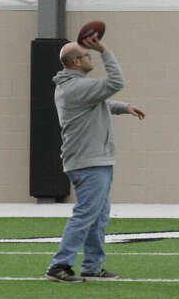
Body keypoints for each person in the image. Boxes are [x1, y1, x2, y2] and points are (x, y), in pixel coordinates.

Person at [44, 34, 145, 282]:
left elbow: (100, 102)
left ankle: (92, 265)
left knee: (99, 216)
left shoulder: (75, 87)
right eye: (87, 56)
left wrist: (123, 107)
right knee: (86, 214)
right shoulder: (76, 87)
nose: (92, 58)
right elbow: (115, 82)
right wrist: (104, 50)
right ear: (77, 61)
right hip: (88, 162)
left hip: (95, 160)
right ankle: (59, 265)